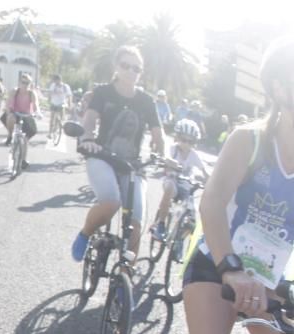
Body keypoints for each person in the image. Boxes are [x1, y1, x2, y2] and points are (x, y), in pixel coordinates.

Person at [116, 37, 294, 334]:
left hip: (268, 285)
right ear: (280, 87)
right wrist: (232, 270)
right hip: (217, 266)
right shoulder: (249, 139)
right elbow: (211, 203)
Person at [70, 46, 165, 263]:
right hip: (102, 156)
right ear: (116, 66)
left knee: (136, 221)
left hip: (132, 165)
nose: (131, 71)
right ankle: (85, 233)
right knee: (111, 202)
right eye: (126, 66)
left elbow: (159, 135)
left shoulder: (147, 101)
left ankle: (125, 276)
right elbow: (90, 121)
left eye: (136, 68)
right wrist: (87, 139)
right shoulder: (103, 92)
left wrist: (163, 155)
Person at [151, 119, 209, 239]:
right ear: (177, 137)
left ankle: (179, 241)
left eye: (191, 141)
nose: (187, 144)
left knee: (193, 215)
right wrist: (168, 163)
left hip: (186, 186)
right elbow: (165, 157)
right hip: (172, 180)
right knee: (170, 188)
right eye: (184, 140)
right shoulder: (172, 149)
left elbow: (204, 171)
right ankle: (161, 224)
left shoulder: (194, 155)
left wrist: (211, 181)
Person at [4, 73, 40, 167]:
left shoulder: (32, 93)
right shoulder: (14, 91)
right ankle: (9, 136)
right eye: (23, 82)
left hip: (27, 116)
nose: (25, 85)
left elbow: (36, 105)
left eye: (27, 83)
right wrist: (8, 110)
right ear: (19, 83)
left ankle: (23, 160)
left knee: (25, 139)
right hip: (15, 113)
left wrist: (37, 113)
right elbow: (8, 103)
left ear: (30, 84)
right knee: (10, 117)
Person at [45, 74, 73, 139]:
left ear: (59, 80)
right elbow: (50, 93)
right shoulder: (53, 85)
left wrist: (69, 104)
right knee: (52, 118)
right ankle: (50, 133)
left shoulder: (65, 87)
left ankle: (57, 128)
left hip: (61, 104)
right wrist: (49, 100)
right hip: (54, 103)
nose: (55, 82)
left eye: (56, 80)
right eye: (54, 81)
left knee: (61, 118)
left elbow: (69, 96)